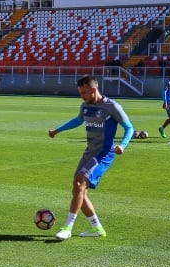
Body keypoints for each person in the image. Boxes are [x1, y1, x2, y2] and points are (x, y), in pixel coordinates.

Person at [48, 75, 134, 240]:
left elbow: (129, 127)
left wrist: (123, 145)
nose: (82, 96)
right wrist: (58, 130)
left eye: (84, 93)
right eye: (80, 93)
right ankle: (97, 229)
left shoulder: (112, 107)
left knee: (79, 183)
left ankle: (67, 228)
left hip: (104, 153)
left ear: (94, 90)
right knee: (78, 190)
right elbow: (79, 120)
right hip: (89, 152)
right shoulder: (85, 106)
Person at [158, 68, 170, 139]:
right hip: (169, 102)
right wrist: (165, 101)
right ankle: (162, 128)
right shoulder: (168, 82)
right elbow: (165, 92)